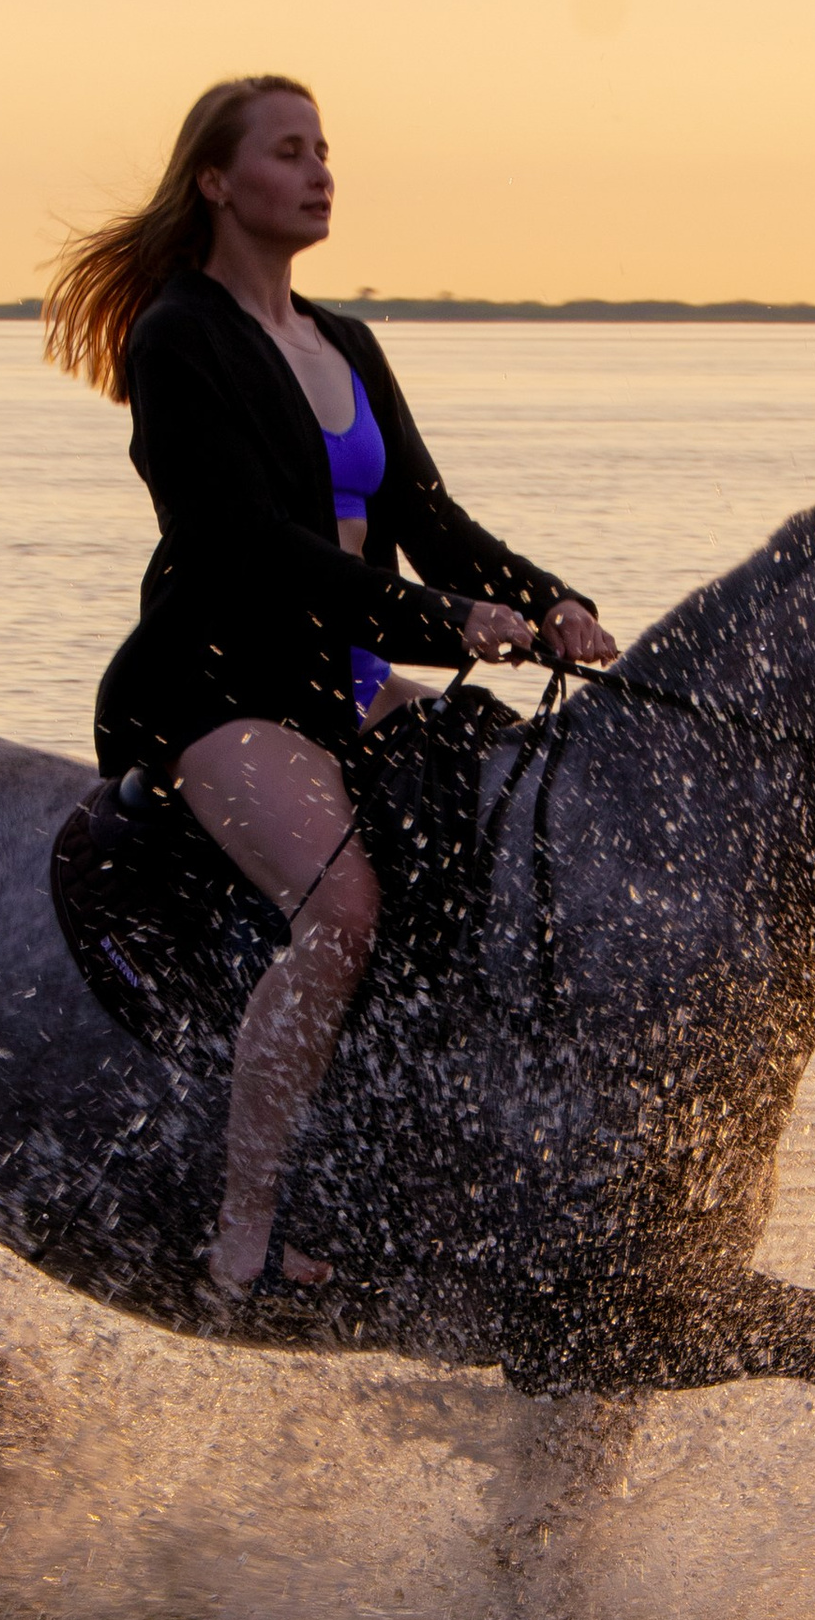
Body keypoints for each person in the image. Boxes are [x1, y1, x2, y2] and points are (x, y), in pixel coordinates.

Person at [43, 75, 616, 1295]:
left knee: (510, 825)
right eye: (288, 151)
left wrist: (549, 602)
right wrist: (442, 619)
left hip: (344, 681)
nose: (318, 173)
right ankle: (244, 1233)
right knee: (342, 909)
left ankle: (434, 1151)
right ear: (216, 181)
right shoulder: (177, 338)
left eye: (323, 150)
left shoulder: (344, 342)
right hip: (219, 686)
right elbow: (247, 547)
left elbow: (429, 519)